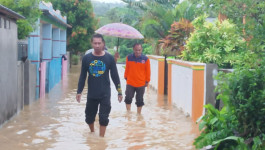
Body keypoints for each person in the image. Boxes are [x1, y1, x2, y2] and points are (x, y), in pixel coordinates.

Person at [76, 34, 123, 137]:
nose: (97, 45)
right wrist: (79, 91)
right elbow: (82, 76)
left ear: (103, 44)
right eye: (95, 43)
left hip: (105, 93)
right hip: (92, 93)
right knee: (89, 118)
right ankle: (92, 132)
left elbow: (115, 77)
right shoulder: (86, 58)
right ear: (92, 43)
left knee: (104, 117)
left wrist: (119, 92)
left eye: (99, 43)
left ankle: (101, 140)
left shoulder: (109, 58)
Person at [124, 43, 151, 114]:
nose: (137, 52)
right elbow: (127, 68)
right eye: (136, 50)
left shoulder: (145, 59)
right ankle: (128, 113)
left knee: (139, 100)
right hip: (130, 82)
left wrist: (147, 81)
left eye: (139, 50)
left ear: (141, 49)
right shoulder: (129, 58)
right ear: (133, 49)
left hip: (141, 83)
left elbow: (148, 71)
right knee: (128, 98)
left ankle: (139, 115)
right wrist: (126, 77)